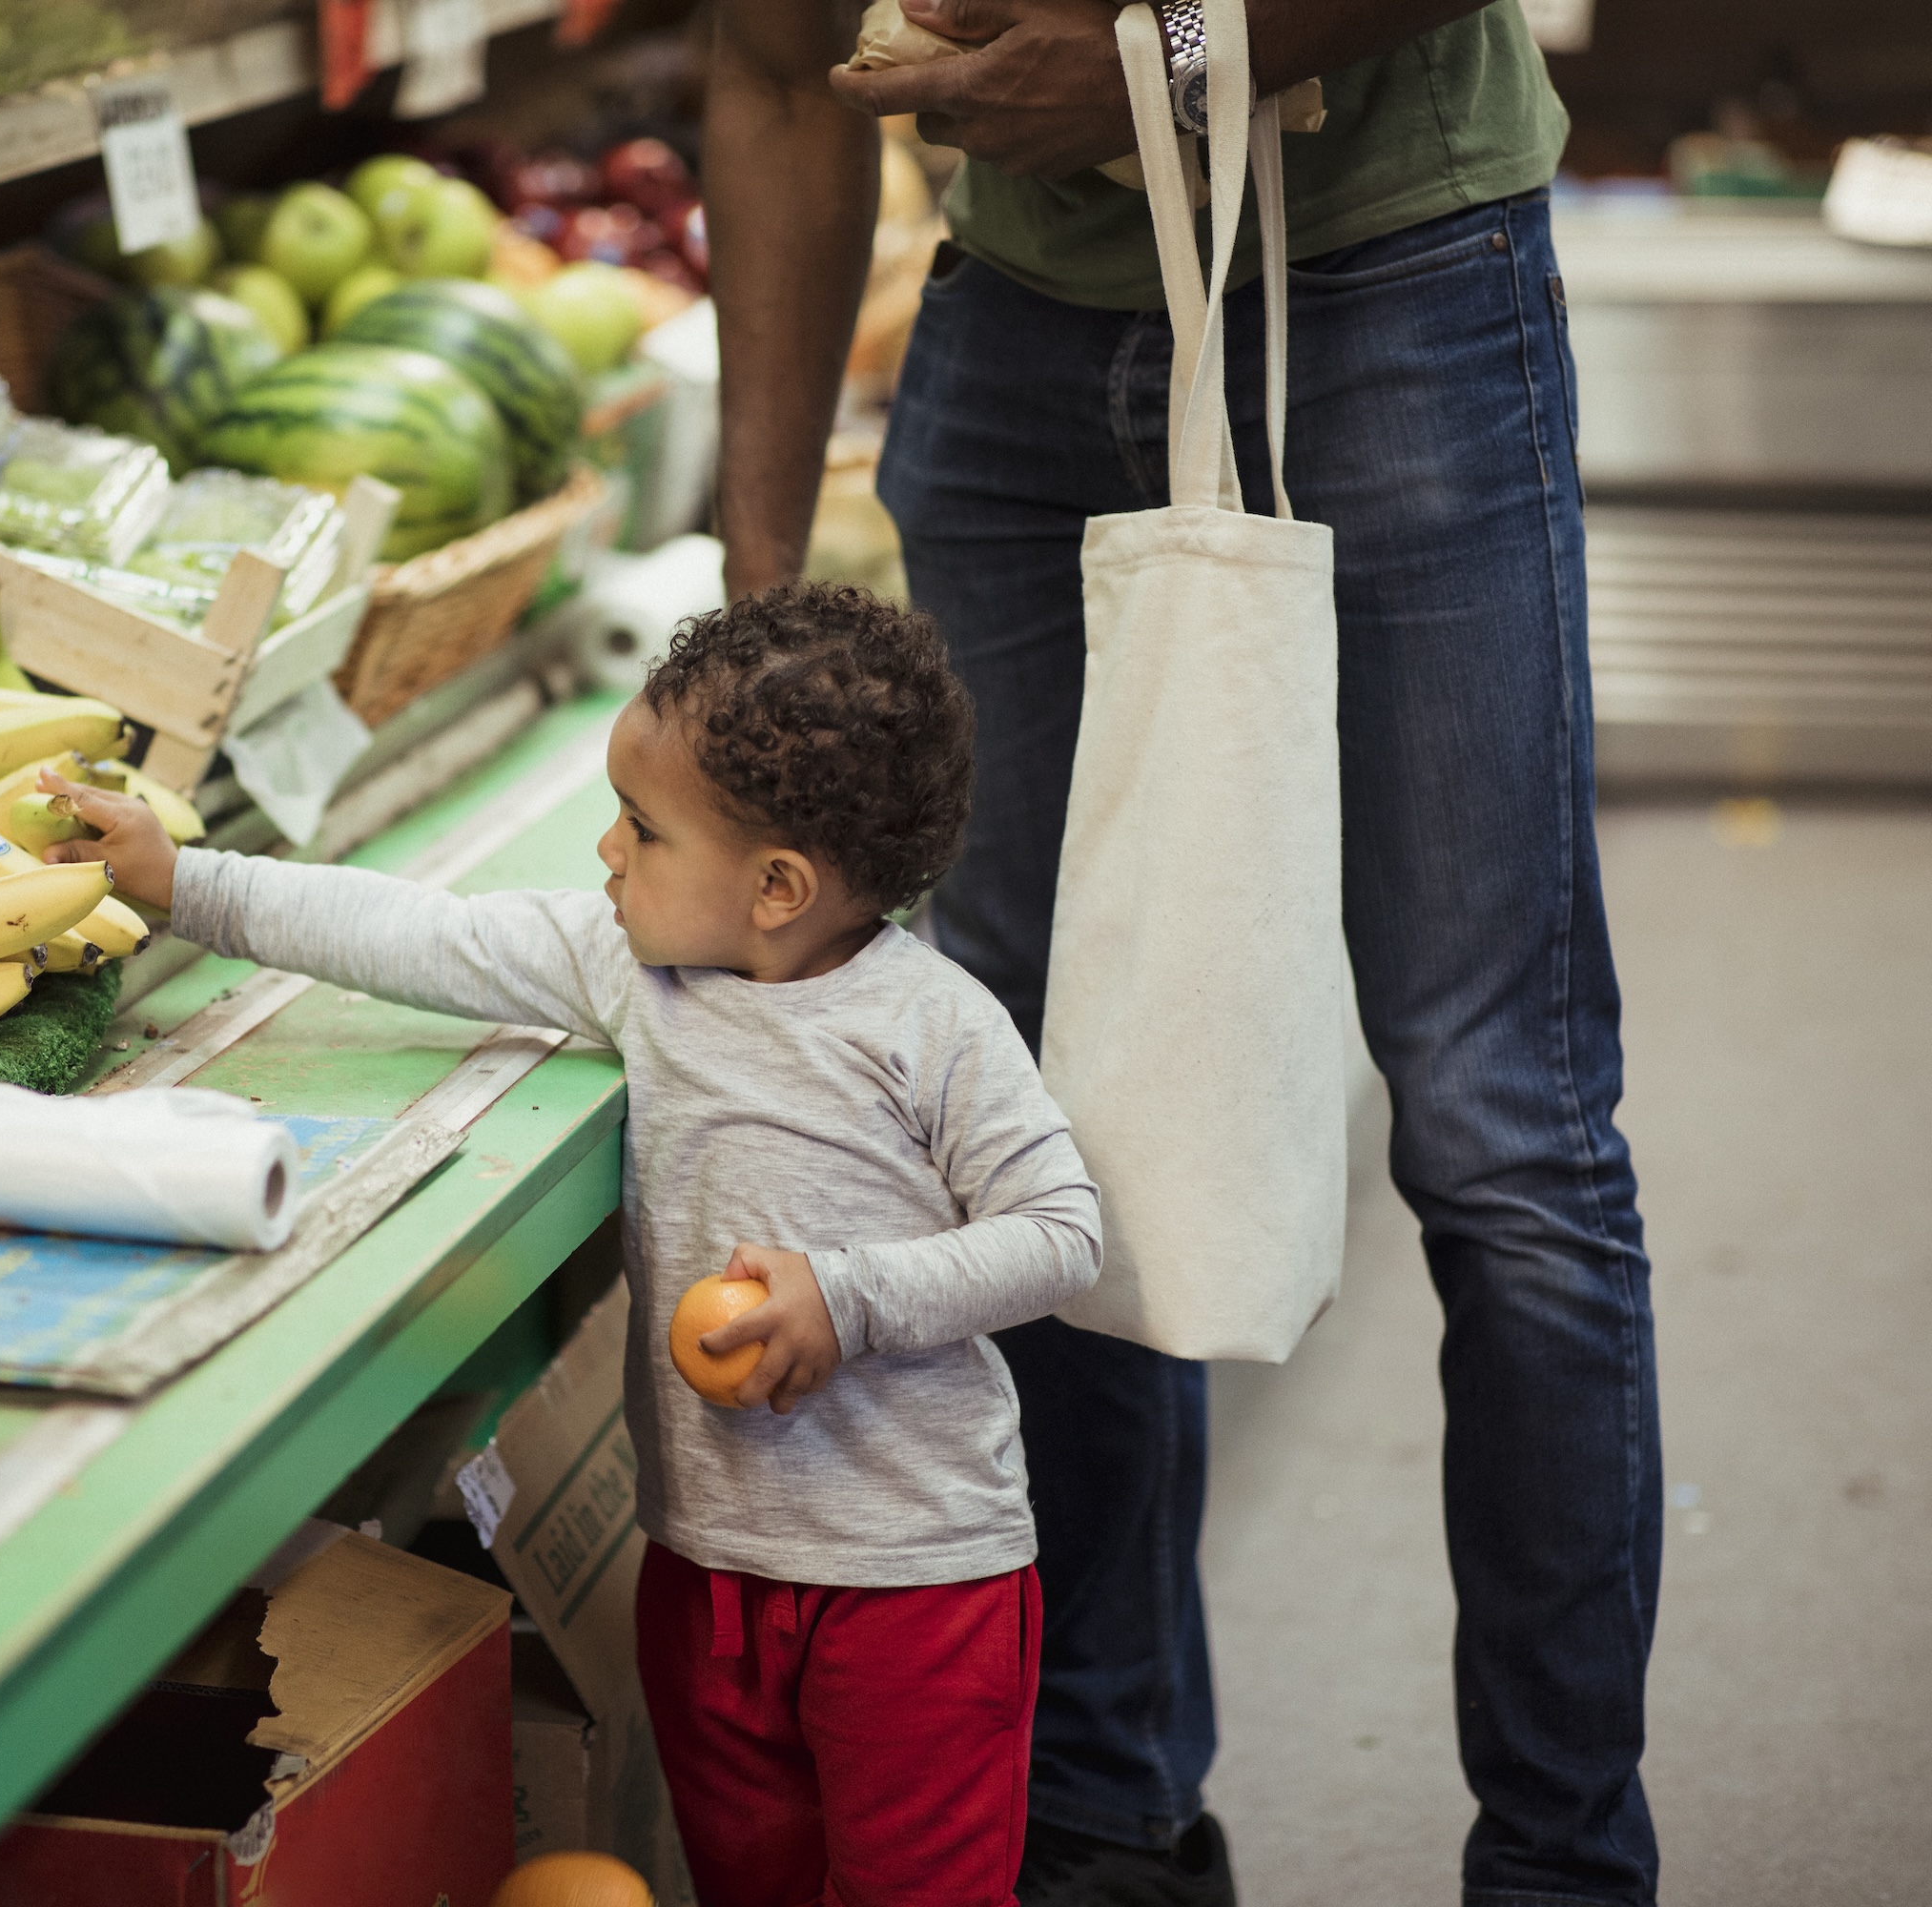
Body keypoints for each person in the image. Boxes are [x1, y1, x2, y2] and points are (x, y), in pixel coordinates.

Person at [702, 1, 1660, 1903]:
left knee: (1499, 1130)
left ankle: (1560, 1862)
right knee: (1044, 1107)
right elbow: (763, 60)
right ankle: (1108, 1825)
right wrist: (754, 599)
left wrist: (1179, 57)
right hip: (1015, 337)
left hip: (1400, 285)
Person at [46, 585, 1102, 1904]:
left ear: (777, 888)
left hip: (913, 1593)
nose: (607, 852)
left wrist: (849, 1298)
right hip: (705, 1575)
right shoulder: (633, 966)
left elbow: (1064, 1237)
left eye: (643, 830)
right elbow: (414, 937)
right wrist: (179, 881)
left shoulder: (934, 1026)